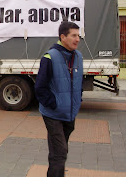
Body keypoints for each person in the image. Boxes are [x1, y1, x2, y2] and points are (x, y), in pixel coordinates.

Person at [35, 21, 83, 177]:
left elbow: (78, 83)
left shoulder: (78, 56)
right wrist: (54, 104)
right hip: (53, 114)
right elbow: (40, 88)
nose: (77, 39)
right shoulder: (49, 57)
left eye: (78, 35)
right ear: (63, 37)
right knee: (60, 152)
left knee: (58, 151)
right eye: (73, 35)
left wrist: (77, 101)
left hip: (70, 113)